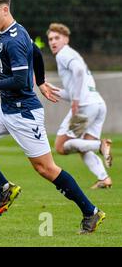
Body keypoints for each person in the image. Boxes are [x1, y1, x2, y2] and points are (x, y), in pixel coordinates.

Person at [0, 0, 105, 234]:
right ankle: (5, 188)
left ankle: (91, 212)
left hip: (24, 113)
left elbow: (18, 81)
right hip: (6, 109)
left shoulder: (13, 40)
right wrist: (42, 81)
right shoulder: (15, 30)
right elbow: (36, 51)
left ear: (5, 9)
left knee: (46, 169)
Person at [45, 23, 113, 189]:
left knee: (61, 146)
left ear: (66, 39)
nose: (53, 42)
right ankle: (104, 178)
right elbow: (75, 88)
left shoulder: (63, 54)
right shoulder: (71, 54)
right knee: (83, 146)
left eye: (57, 38)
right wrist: (53, 90)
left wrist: (75, 101)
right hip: (97, 104)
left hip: (85, 107)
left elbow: (79, 72)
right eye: (50, 39)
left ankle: (100, 145)